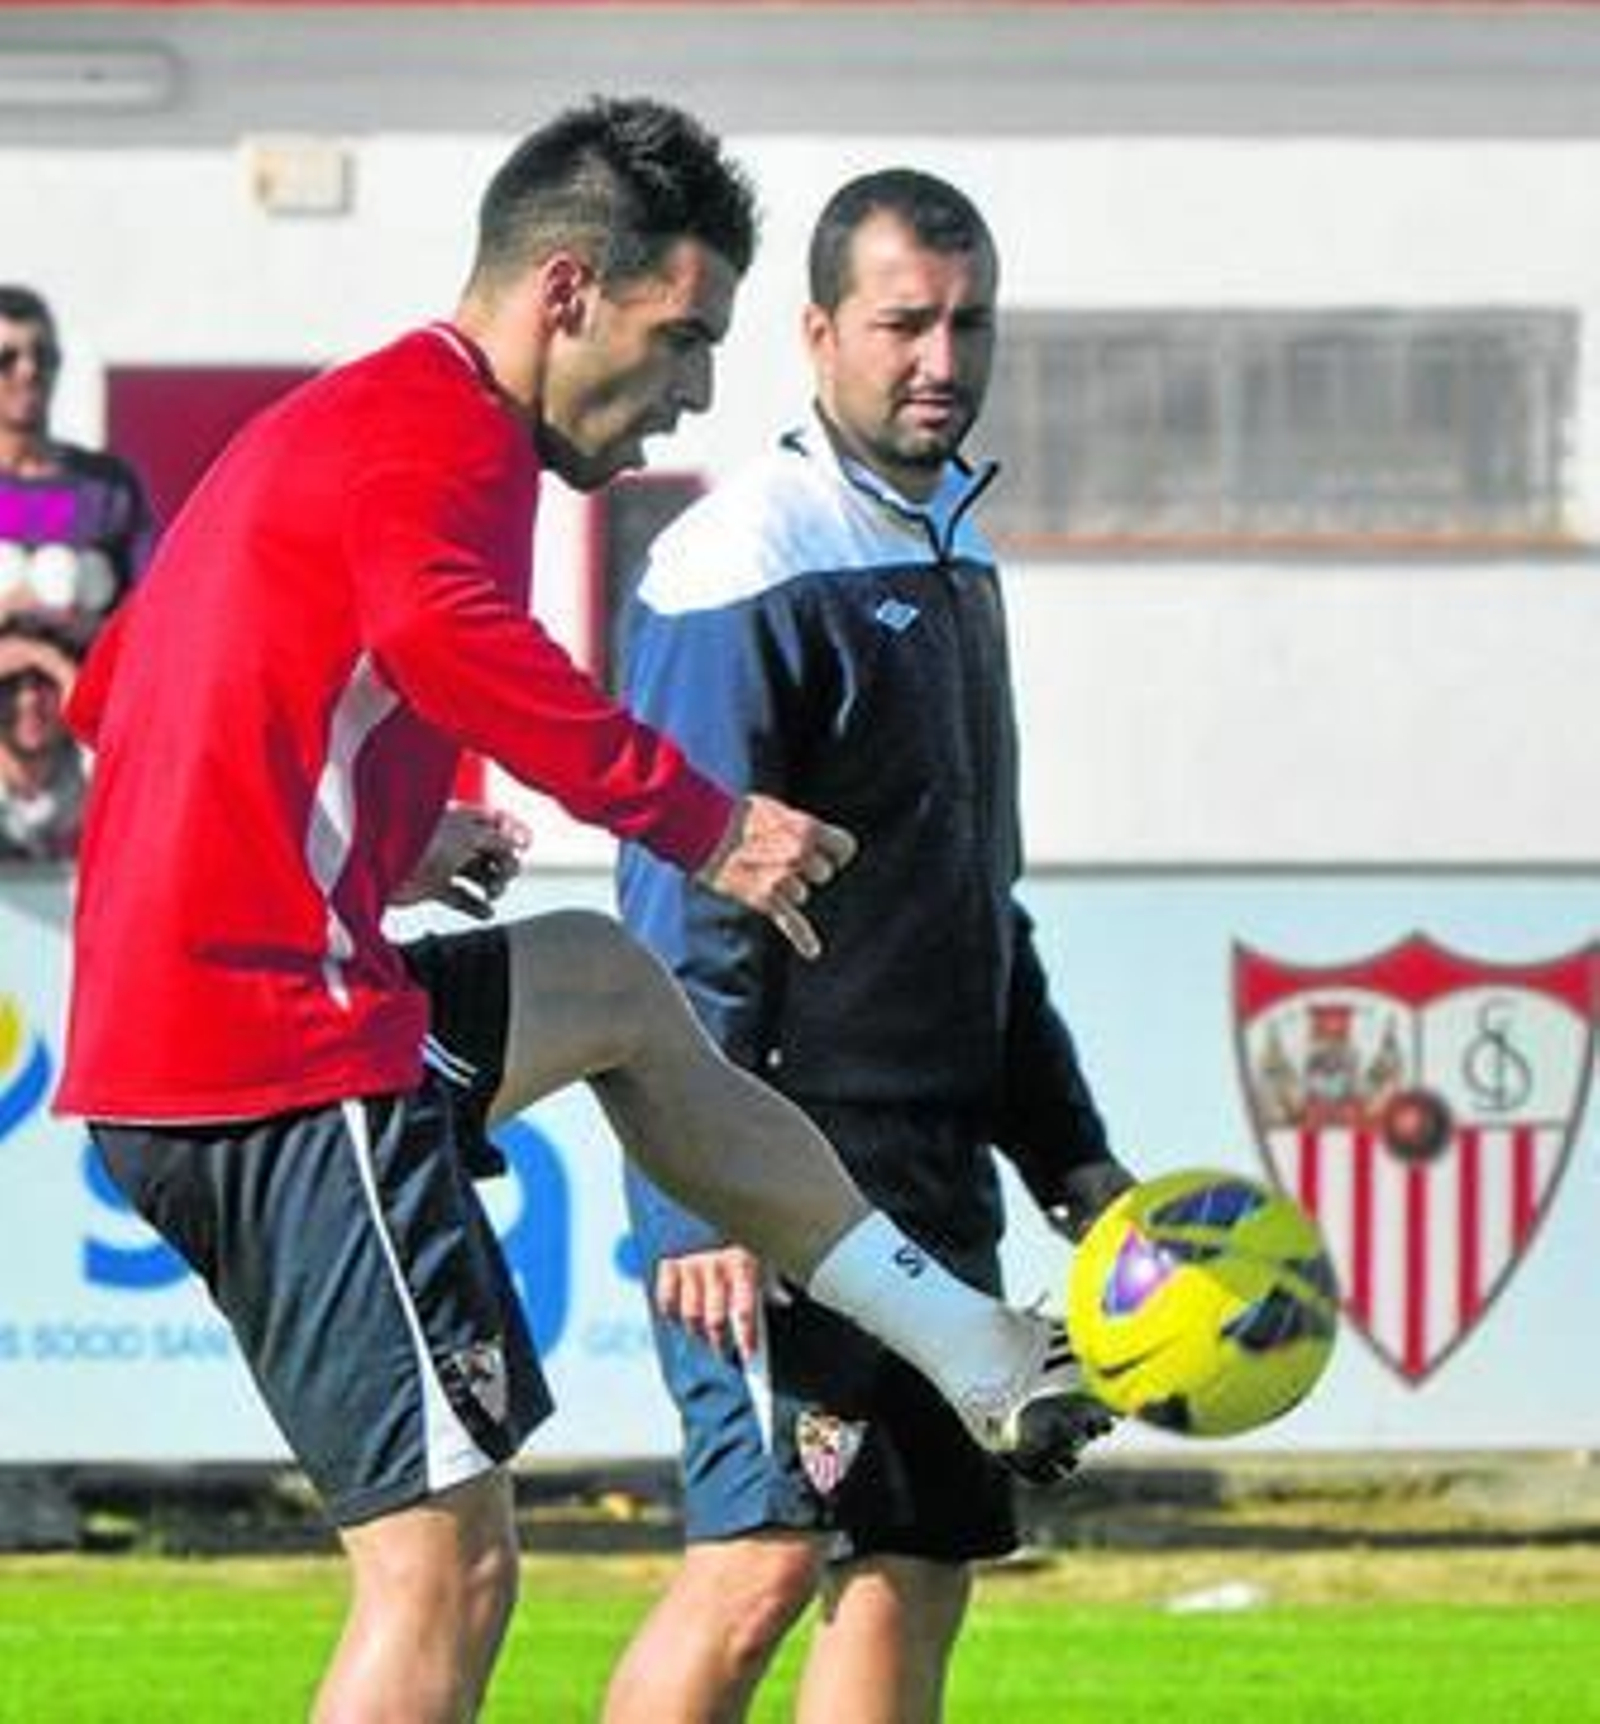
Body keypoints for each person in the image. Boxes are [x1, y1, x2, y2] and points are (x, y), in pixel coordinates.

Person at [54, 105, 1106, 1724]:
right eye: (682, 337)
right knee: (448, 1572)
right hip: (278, 1056)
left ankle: (964, 1337)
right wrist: (707, 820)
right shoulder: (446, 444)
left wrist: (365, 841)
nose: (692, 389)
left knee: (607, 982)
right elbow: (446, 628)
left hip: (250, 1017)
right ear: (566, 293)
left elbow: (120, 693)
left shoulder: (349, 421)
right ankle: (958, 1335)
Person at [604, 169, 1135, 1724]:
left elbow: (982, 902)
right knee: (760, 1553)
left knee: (915, 1558)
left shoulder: (954, 554)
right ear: (820, 330)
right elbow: (679, 901)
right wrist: (690, 1192)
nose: (942, 359)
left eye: (971, 324)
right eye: (906, 322)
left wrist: (1071, 1154)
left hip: (932, 1164)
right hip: (775, 1173)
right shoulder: (740, 559)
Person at [0, 285, 154, 645]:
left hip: (83, 693)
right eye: (6, 359)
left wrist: (89, 630)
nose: (29, 371)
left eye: (43, 355)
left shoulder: (110, 487)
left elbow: (150, 612)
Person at [0, 613, 85, 861]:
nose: (29, 701)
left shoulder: (90, 771)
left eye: (44, 681)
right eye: (10, 684)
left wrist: (54, 661)